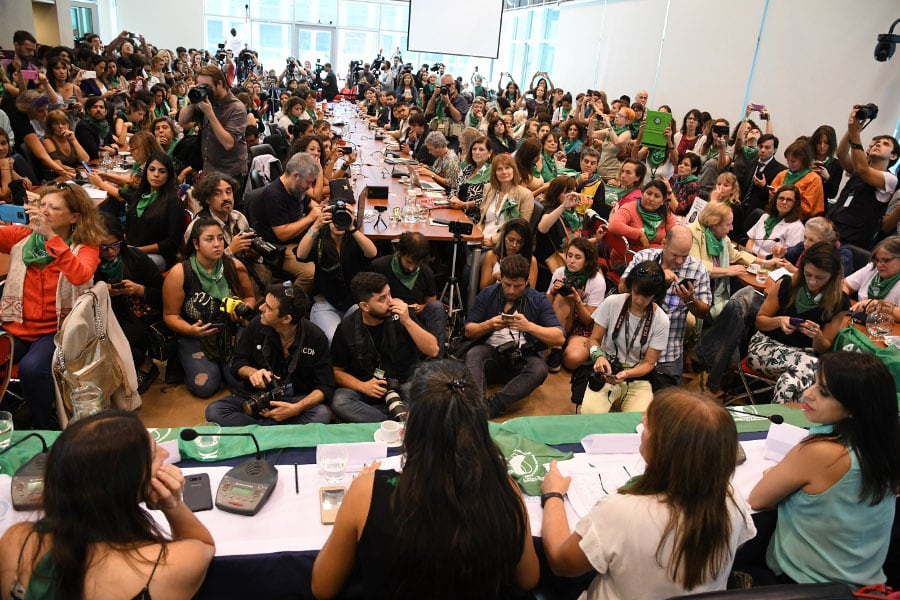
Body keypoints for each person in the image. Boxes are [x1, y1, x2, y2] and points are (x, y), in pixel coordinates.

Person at [311, 359, 539, 599]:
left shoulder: (366, 492)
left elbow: (322, 588)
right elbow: (528, 578)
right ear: (479, 425)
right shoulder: (506, 490)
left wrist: (363, 487)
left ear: (410, 425)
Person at [542, 388, 756, 599]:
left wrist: (553, 495)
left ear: (664, 449)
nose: (643, 423)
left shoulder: (621, 511)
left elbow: (562, 563)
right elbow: (740, 543)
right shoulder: (731, 497)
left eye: (649, 425)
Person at [0, 411, 216, 599]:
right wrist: (172, 504)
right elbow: (203, 547)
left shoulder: (15, 541)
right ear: (125, 485)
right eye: (152, 454)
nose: (166, 453)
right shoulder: (159, 566)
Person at [749, 352, 900, 588]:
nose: (808, 393)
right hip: (865, 584)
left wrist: (779, 477)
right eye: (816, 383)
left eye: (824, 392)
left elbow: (758, 499)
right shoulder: (884, 446)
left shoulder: (822, 452)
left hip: (804, 585)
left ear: (854, 408)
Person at [0, 183, 104, 428]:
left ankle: (43, 426)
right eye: (42, 204)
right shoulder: (23, 236)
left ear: (74, 217)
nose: (44, 211)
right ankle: (5, 421)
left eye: (54, 208)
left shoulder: (85, 246)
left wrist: (52, 238)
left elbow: (80, 275)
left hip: (56, 330)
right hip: (18, 326)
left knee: (32, 369)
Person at [205, 283, 333, 426]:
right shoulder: (257, 324)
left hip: (293, 401)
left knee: (321, 414)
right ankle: (278, 433)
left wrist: (297, 409)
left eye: (268, 307)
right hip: (257, 397)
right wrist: (252, 372)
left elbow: (326, 385)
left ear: (286, 319)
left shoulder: (316, 337)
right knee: (214, 411)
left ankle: (260, 431)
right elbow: (237, 362)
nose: (260, 308)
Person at [162, 218, 256, 398]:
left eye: (221, 238)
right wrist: (190, 329)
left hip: (232, 332)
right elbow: (170, 315)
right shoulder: (180, 273)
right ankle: (197, 365)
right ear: (196, 244)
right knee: (204, 387)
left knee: (240, 383)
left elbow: (250, 298)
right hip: (196, 336)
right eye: (209, 239)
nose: (217, 244)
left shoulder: (234, 266)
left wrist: (243, 309)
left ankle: (224, 369)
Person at [330, 271, 439, 423]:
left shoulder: (402, 314)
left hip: (404, 380)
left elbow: (433, 349)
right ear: (365, 306)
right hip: (370, 386)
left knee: (431, 393)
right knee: (340, 401)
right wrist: (362, 386)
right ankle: (395, 420)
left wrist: (407, 321)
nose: (390, 301)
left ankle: (396, 416)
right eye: (382, 299)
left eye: (389, 294)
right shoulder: (346, 328)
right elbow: (336, 371)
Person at [464, 254, 565, 418]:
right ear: (500, 278)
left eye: (517, 286)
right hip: (492, 354)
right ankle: (477, 404)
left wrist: (530, 327)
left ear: (526, 282)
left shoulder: (537, 300)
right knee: (474, 354)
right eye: (507, 285)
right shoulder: (488, 294)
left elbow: (559, 337)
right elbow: (469, 331)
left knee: (539, 369)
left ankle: (489, 408)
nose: (511, 290)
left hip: (521, 358)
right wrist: (488, 325)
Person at [748, 242, 849, 404]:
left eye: (820, 277)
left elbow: (824, 346)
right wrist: (779, 321)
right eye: (808, 274)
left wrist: (818, 336)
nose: (813, 282)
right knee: (814, 368)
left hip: (804, 355)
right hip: (766, 346)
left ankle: (775, 423)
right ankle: (797, 425)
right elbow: (759, 322)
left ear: (833, 275)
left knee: (790, 383)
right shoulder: (787, 284)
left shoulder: (839, 302)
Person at [620, 226, 712, 390]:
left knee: (665, 406)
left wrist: (689, 300)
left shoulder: (698, 270)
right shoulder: (644, 257)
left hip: (667, 351)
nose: (679, 261)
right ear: (664, 243)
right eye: (675, 255)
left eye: (685, 255)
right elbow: (622, 288)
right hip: (631, 346)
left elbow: (704, 311)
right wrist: (657, 275)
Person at [581, 260, 670, 412]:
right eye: (636, 292)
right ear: (631, 286)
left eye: (647, 296)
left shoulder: (661, 320)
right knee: (590, 413)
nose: (639, 300)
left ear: (656, 295)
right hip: (606, 371)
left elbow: (649, 363)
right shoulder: (612, 302)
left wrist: (627, 373)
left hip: (637, 380)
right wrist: (599, 357)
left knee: (638, 422)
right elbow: (593, 339)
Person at [94, 214, 164, 394]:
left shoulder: (136, 258)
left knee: (131, 349)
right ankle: (139, 365)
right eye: (104, 247)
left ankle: (145, 365)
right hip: (109, 318)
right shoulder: (91, 265)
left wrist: (140, 290)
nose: (110, 252)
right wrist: (103, 291)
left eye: (115, 245)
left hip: (141, 316)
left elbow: (164, 293)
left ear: (122, 241)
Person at [295, 200, 378, 342]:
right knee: (333, 339)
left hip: (354, 302)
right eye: (335, 218)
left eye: (343, 217)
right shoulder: (320, 240)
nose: (338, 222)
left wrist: (352, 227)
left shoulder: (353, 239)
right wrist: (316, 225)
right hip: (325, 302)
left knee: (358, 339)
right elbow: (301, 255)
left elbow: (372, 253)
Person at [828, 105, 899, 249]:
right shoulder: (858, 169)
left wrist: (856, 133)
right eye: (876, 143)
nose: (878, 144)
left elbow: (863, 169)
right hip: (831, 229)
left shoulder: (890, 179)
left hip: (852, 241)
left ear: (893, 156)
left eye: (885, 144)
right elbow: (841, 154)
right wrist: (853, 126)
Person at [248, 152, 321, 291]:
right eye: (308, 182)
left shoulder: (296, 188)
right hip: (278, 248)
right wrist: (311, 218)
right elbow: (282, 234)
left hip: (298, 240)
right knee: (310, 274)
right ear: (295, 176)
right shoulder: (274, 195)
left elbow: (310, 202)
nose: (309, 187)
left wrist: (321, 211)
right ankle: (286, 304)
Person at [371, 232, 447, 351]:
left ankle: (437, 360)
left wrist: (422, 307)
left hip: (415, 318)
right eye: (409, 262)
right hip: (389, 316)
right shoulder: (380, 266)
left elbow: (431, 302)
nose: (411, 268)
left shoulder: (426, 272)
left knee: (437, 306)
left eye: (416, 264)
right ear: (400, 253)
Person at [177, 66, 248, 184]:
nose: (203, 90)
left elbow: (228, 143)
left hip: (230, 172)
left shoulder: (236, 108)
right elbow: (182, 120)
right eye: (200, 86)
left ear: (220, 83)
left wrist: (209, 113)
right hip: (208, 168)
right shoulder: (206, 100)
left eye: (207, 87)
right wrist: (193, 100)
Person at [545, 237, 607, 372]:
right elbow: (545, 306)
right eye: (570, 255)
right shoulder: (560, 272)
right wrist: (553, 291)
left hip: (583, 325)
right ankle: (557, 348)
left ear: (587, 261)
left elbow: (588, 320)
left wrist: (577, 300)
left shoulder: (597, 281)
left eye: (578, 257)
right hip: (560, 317)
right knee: (563, 296)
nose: (571, 261)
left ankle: (567, 346)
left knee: (572, 360)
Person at [122, 152, 186, 271]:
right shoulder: (139, 196)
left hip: (159, 256)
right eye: (152, 169)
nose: (156, 174)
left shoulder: (174, 203)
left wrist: (138, 250)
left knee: (131, 264)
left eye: (162, 171)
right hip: (132, 250)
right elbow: (129, 229)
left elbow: (172, 242)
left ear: (168, 175)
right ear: (146, 171)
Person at [478, 154, 535, 245]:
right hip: (481, 237)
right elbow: (481, 219)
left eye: (507, 168)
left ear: (513, 170)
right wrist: (478, 236)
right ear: (494, 173)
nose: (504, 172)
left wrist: (493, 241)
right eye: (499, 169)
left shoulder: (525, 195)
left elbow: (520, 228)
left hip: (504, 243)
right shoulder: (488, 188)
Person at [608, 180, 676, 252]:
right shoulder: (630, 208)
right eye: (649, 193)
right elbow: (613, 225)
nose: (651, 199)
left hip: (658, 257)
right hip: (629, 257)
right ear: (642, 193)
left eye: (657, 196)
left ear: (663, 201)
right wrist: (638, 233)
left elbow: (674, 236)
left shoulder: (666, 214)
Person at [843, 237, 900, 322]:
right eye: (877, 260)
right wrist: (842, 299)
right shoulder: (872, 268)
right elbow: (845, 284)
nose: (880, 264)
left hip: (887, 330)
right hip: (861, 321)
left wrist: (878, 305)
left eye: (886, 260)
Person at [769, 138, 825, 219]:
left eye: (793, 161)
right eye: (788, 160)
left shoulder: (814, 179)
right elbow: (771, 200)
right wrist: (774, 194)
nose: (789, 164)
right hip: (777, 215)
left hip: (798, 220)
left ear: (804, 160)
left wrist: (785, 197)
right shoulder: (782, 174)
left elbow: (807, 209)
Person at [745, 184, 805, 258]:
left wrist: (759, 260)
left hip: (770, 265)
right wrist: (749, 256)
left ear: (795, 203)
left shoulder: (797, 227)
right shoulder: (765, 217)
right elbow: (751, 239)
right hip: (750, 258)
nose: (784, 202)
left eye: (789, 200)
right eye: (781, 198)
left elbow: (788, 257)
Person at [479, 218, 538, 290]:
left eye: (519, 242)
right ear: (504, 237)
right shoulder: (491, 256)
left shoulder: (531, 261)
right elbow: (483, 288)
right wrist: (494, 277)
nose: (514, 245)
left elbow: (531, 292)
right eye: (511, 240)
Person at [448, 134, 492, 222]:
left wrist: (464, 205)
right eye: (474, 149)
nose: (477, 152)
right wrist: (453, 199)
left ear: (490, 152)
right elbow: (454, 187)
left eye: (481, 149)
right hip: (457, 212)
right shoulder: (468, 168)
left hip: (475, 218)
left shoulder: (492, 171)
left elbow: (488, 200)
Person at [743, 133, 786, 215]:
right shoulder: (750, 163)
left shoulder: (781, 170)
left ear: (775, 150)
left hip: (761, 210)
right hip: (743, 207)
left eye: (767, 147)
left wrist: (764, 187)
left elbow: (778, 196)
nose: (762, 150)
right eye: (760, 146)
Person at [75, 96, 118, 160]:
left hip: (103, 160)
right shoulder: (83, 126)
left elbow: (113, 144)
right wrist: (113, 151)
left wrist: (114, 150)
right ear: (88, 111)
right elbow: (94, 152)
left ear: (105, 112)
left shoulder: (104, 124)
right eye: (94, 107)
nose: (98, 110)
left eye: (101, 107)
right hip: (90, 162)